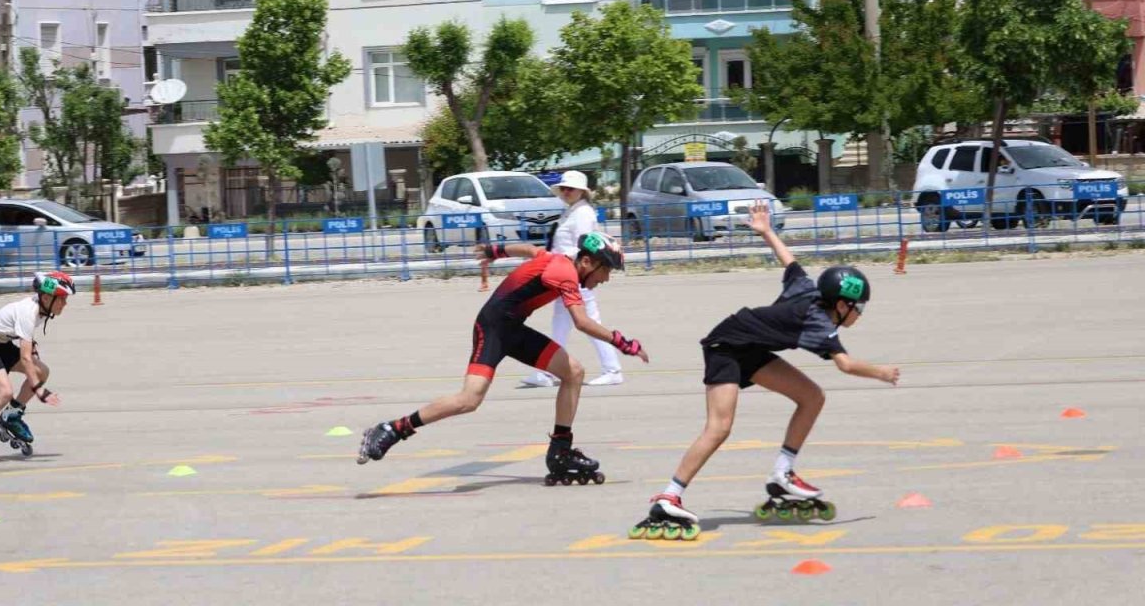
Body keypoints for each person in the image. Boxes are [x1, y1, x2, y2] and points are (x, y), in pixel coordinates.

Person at [628, 202, 899, 539]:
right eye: (858, 307)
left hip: (751, 348)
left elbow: (790, 261)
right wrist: (882, 373)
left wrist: (767, 230)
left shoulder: (808, 289)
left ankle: (782, 475)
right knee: (719, 427)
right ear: (842, 304)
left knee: (812, 396)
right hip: (725, 346)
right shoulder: (819, 324)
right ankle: (669, 496)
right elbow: (845, 365)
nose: (860, 313)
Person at [357, 233, 650, 485]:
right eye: (606, 270)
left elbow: (530, 250)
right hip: (493, 328)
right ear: (586, 262)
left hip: (513, 329)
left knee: (573, 372)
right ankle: (393, 429)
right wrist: (623, 343)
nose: (606, 278)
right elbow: (582, 322)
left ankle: (561, 449)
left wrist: (494, 251)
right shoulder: (565, 273)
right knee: (469, 400)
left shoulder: (558, 259)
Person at [0, 272, 72, 465]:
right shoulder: (29, 311)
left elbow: (28, 345)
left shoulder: (42, 310)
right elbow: (25, 358)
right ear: (46, 298)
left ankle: (11, 416)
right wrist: (40, 391)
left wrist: (35, 367)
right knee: (5, 392)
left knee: (42, 371)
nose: (65, 304)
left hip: (1, 343)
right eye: (62, 299)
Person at [521, 171, 624, 388]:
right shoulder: (572, 211)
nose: (566, 192)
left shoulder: (583, 213)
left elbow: (585, 248)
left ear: (581, 192)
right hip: (565, 273)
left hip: (578, 275)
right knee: (561, 322)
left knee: (588, 322)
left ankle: (612, 369)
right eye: (564, 188)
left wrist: (559, 260)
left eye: (571, 189)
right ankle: (549, 372)